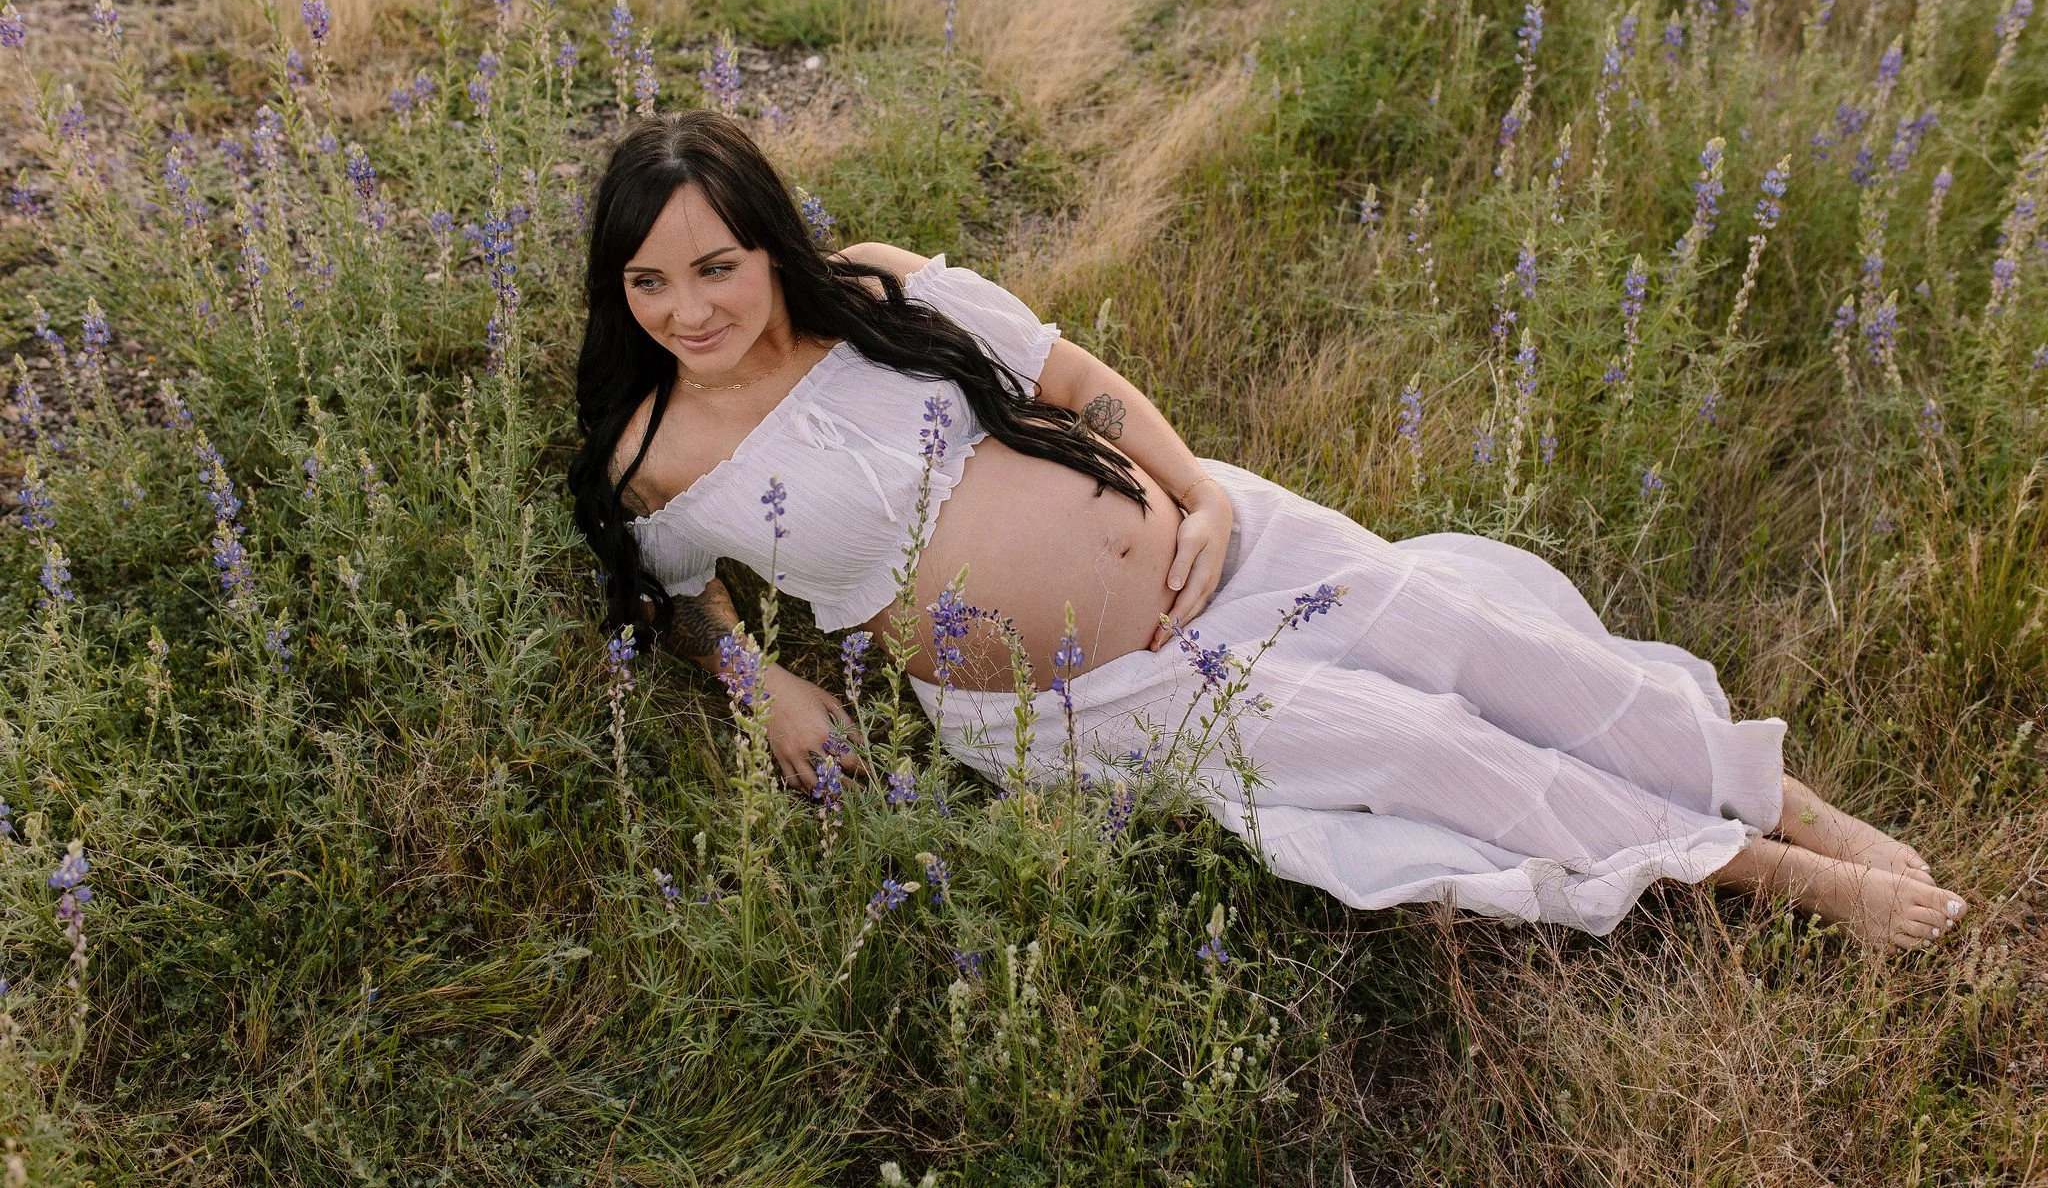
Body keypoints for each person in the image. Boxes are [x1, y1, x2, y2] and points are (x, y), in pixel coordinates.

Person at [566, 111, 1967, 950]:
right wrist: (770, 688)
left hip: (1221, 547)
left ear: (770, 243)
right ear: (613, 287)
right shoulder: (653, 454)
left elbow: (1069, 380)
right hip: (1088, 693)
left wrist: (1203, 491)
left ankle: (1783, 797)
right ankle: (1766, 875)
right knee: (1418, 743)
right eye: (648, 282)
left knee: (1474, 642)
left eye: (717, 266)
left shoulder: (875, 286)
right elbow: (676, 601)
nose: (689, 310)